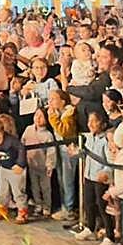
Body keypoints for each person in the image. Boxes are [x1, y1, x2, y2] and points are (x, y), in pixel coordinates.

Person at [76, 110, 116, 245]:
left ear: (103, 123)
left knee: (102, 206)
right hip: (89, 176)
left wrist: (106, 173)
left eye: (94, 121)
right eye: (89, 121)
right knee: (89, 203)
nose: (90, 124)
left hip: (100, 179)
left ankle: (109, 236)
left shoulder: (106, 140)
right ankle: (90, 227)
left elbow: (110, 161)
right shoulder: (89, 138)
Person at [48, 88, 79, 221]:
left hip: (68, 148)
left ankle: (69, 208)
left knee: (68, 180)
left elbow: (64, 131)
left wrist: (52, 118)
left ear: (62, 101)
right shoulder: (57, 112)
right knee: (60, 179)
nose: (50, 101)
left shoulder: (69, 113)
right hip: (59, 148)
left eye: (54, 99)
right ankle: (64, 205)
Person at [22, 105, 56, 218]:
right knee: (34, 187)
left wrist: (50, 165)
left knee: (46, 188)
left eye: (41, 116)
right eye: (36, 115)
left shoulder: (48, 135)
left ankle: (47, 206)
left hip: (43, 166)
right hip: (31, 165)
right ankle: (38, 204)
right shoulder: (28, 129)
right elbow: (23, 143)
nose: (38, 118)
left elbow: (51, 152)